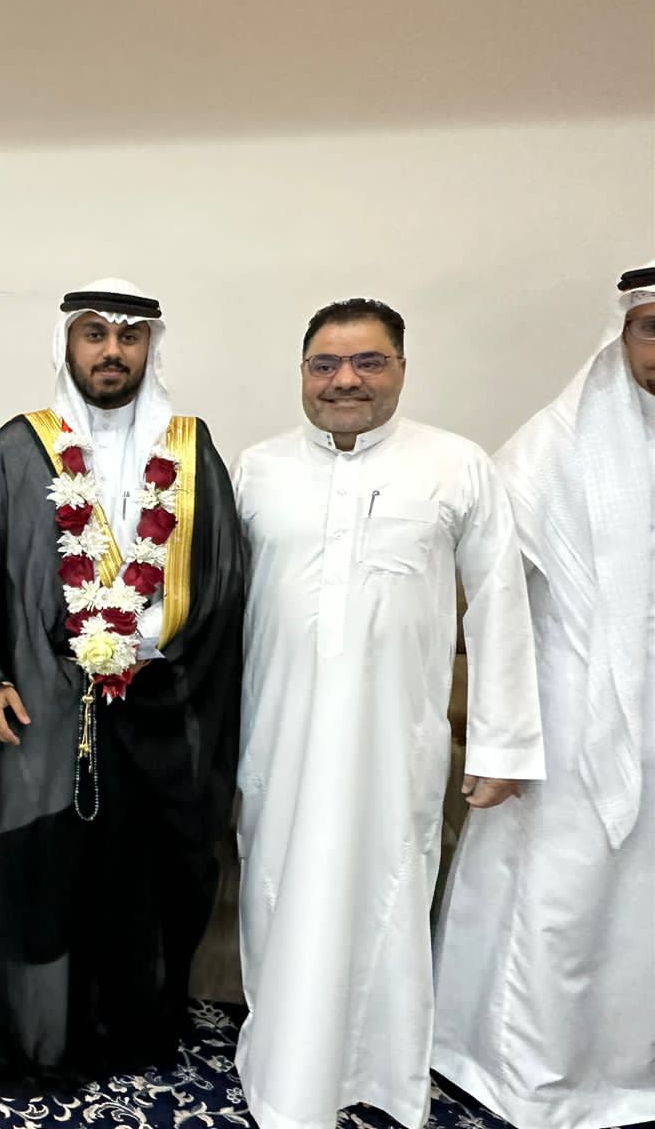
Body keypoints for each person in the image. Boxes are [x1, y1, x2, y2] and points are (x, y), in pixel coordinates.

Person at [232, 297, 545, 1129]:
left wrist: (503, 744)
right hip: (277, 735)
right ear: (303, 374)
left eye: (368, 361)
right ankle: (282, 1067)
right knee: (276, 887)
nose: (345, 380)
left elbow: (501, 607)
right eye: (325, 364)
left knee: (388, 892)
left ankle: (377, 1071)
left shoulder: (457, 465)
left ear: (402, 369)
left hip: (395, 740)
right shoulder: (256, 468)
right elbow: (215, 608)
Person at [0, 279, 245, 1094]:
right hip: (37, 705)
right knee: (37, 866)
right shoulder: (17, 447)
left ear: (151, 349)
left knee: (135, 875)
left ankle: (124, 1029)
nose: (112, 351)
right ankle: (35, 1031)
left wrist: (144, 638)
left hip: (155, 705)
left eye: (129, 337)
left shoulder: (190, 449)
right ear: (68, 344)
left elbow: (220, 574)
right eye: (95, 334)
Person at [431, 263, 655, 1129]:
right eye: (652, 328)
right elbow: (492, 601)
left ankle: (627, 1073)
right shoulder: (557, 441)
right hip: (567, 703)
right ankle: (524, 1075)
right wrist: (504, 736)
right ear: (622, 335)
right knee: (562, 891)